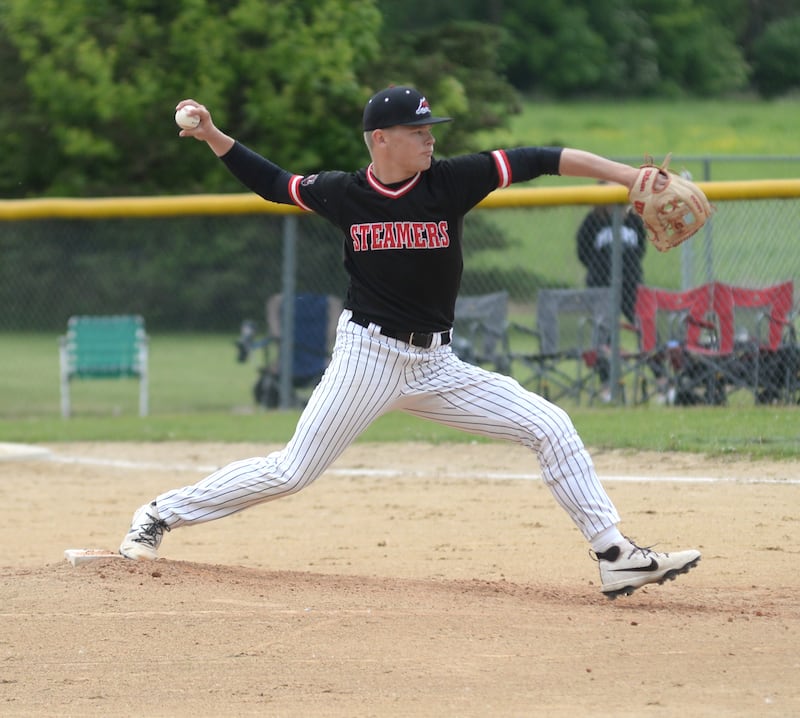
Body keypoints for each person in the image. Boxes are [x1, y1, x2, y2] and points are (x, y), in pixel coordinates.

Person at [119, 86, 700, 599]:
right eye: (416, 132)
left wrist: (627, 176)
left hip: (436, 363)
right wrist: (212, 133)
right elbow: (274, 183)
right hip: (366, 358)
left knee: (549, 425)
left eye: (430, 131)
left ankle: (615, 556)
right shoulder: (345, 193)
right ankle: (159, 514)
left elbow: (539, 157)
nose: (428, 140)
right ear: (380, 140)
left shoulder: (449, 182)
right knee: (293, 471)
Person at [576, 193, 646, 325]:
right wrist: (598, 266)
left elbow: (640, 248)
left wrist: (630, 266)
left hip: (631, 282)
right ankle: (603, 345)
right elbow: (582, 251)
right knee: (603, 326)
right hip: (600, 282)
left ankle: (649, 346)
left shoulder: (634, 220)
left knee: (642, 321)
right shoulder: (593, 221)